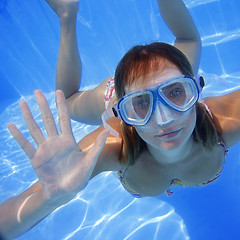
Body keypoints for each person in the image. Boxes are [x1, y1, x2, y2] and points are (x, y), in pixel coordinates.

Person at [1, 0, 240, 239]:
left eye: (177, 92)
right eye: (140, 104)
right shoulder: (114, 146)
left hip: (157, 82)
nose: (164, 119)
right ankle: (67, 15)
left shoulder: (225, 121)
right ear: (121, 112)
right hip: (114, 95)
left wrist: (157, 93)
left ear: (197, 89)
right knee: (69, 102)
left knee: (189, 43)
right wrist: (48, 199)